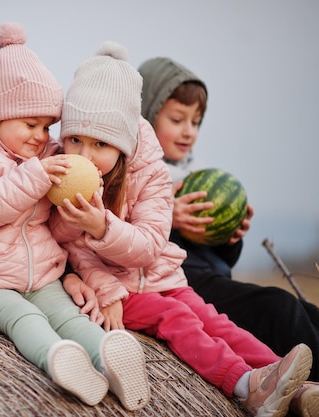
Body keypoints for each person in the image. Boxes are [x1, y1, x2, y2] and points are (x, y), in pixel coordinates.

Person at [51, 41, 313, 417]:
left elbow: (148, 246)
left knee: (213, 319)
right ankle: (244, 386)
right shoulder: (64, 175)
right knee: (177, 320)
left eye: (100, 143)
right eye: (74, 139)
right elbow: (68, 250)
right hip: (121, 291)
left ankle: (287, 381)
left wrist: (102, 225)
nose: (85, 155)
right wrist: (100, 270)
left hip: (162, 277)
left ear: (124, 143)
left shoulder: (154, 175)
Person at [0, 22, 149, 410]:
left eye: (46, 126)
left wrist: (81, 206)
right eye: (30, 125)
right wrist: (33, 176)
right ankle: (58, 361)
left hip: (42, 278)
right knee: (24, 319)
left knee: (71, 317)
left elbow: (57, 227)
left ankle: (110, 357)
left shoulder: (44, 158)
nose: (41, 135)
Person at [138, 56, 319, 415]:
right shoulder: (135, 174)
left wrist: (228, 238)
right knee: (277, 308)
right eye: (177, 120)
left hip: (207, 276)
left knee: (307, 311)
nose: (189, 131)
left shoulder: (189, 176)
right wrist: (167, 215)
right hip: (179, 282)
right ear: (145, 115)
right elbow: (130, 238)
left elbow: (208, 254)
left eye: (196, 122)